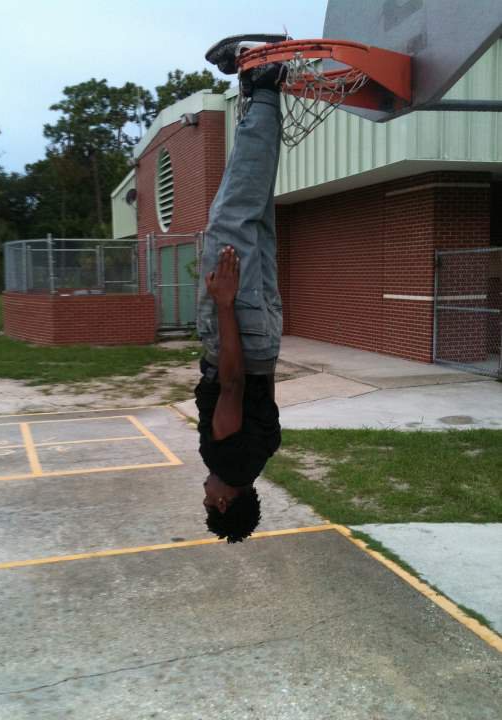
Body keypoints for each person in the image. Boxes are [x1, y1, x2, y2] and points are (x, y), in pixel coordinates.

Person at [194, 34, 287, 543]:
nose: (205, 492)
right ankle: (265, 82)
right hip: (238, 328)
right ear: (226, 501)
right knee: (232, 213)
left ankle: (259, 91)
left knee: (255, 211)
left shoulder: (260, 454)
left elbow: (258, 386)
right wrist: (225, 305)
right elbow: (231, 384)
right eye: (209, 502)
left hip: (265, 334)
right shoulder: (225, 456)